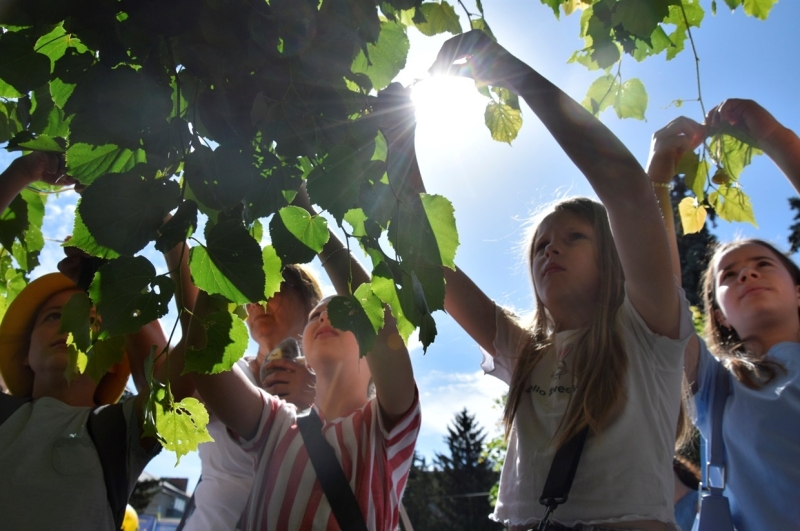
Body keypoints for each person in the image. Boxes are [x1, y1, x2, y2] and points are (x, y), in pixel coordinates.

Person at [421, 31, 694, 530]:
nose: (551, 248)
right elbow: (434, 268)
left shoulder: (649, 331)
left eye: (574, 236)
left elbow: (626, 190)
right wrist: (400, 149)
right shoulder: (527, 354)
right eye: (541, 244)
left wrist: (513, 74)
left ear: (614, 259)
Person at [0, 151, 195, 530]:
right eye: (54, 316)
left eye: (93, 320)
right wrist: (22, 173)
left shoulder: (120, 431)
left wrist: (156, 217)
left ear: (116, 358)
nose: (71, 328)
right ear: (24, 354)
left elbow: (196, 353)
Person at [646, 99, 800, 530]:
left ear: (799, 292)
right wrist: (657, 174)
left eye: (763, 264)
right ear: (721, 315)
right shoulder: (717, 385)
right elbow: (655, 287)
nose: (747, 272)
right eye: (728, 275)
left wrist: (775, 139)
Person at [181, 264, 321, 531]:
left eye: (273, 286)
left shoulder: (336, 383)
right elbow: (184, 416)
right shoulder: (227, 370)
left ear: (311, 302)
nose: (256, 300)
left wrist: (323, 392)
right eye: (249, 291)